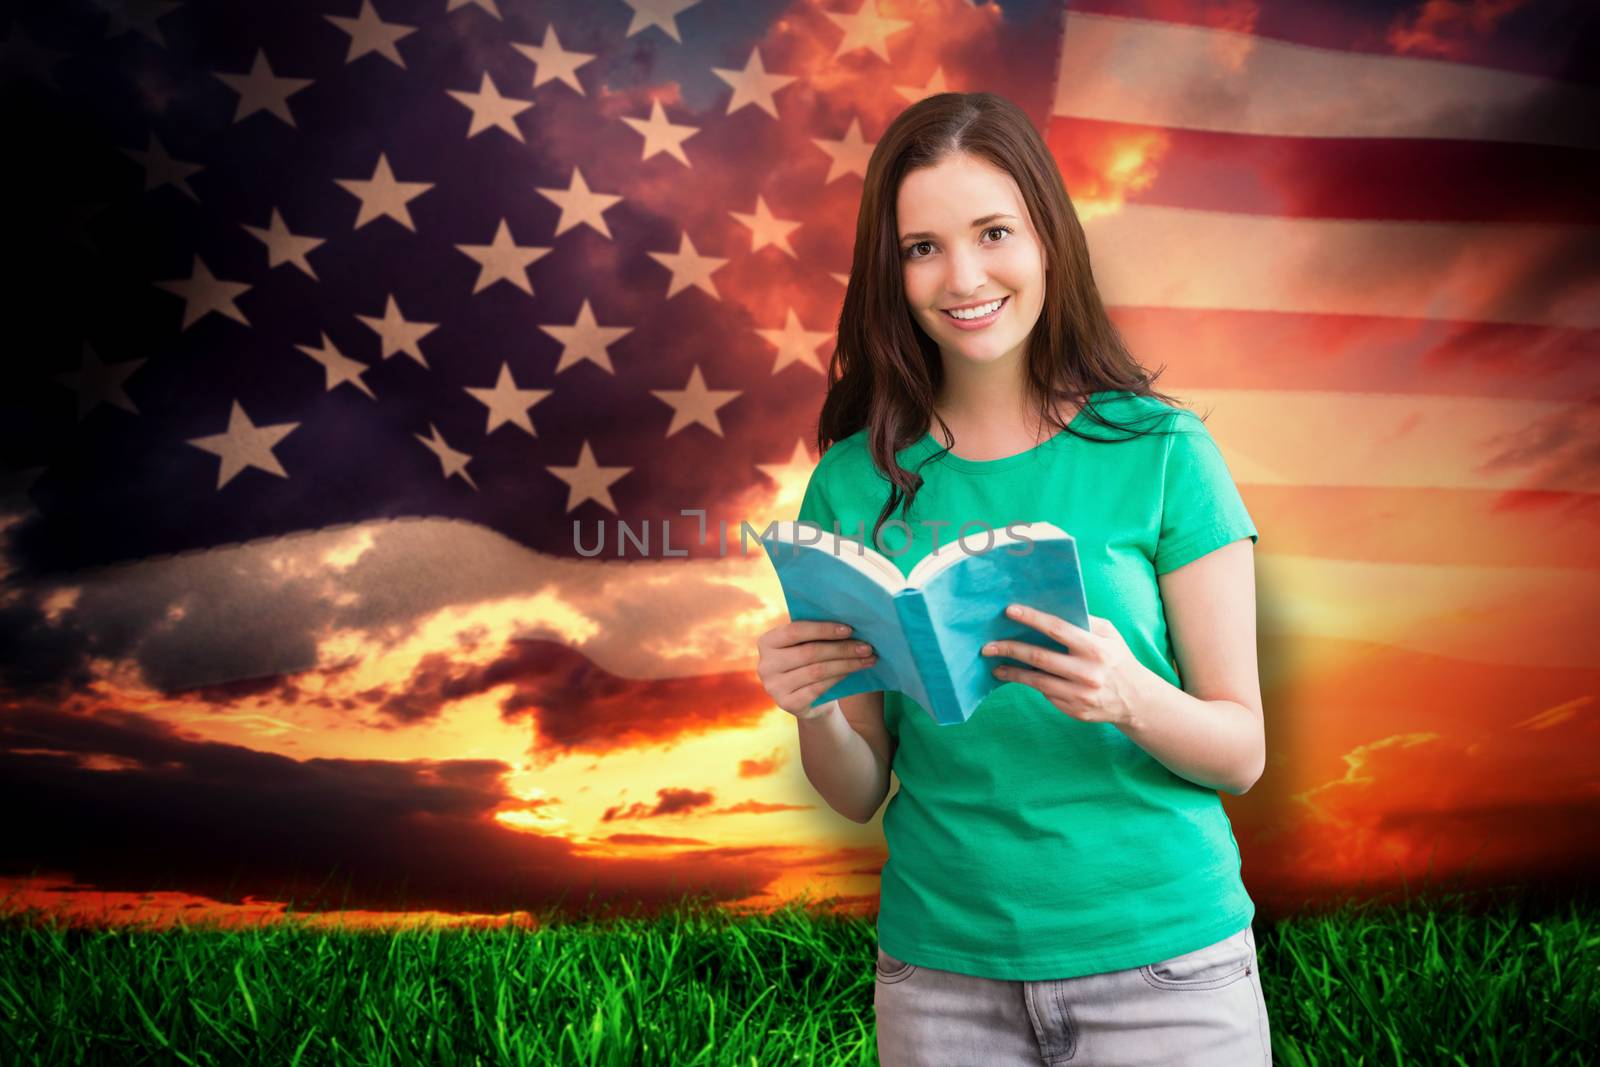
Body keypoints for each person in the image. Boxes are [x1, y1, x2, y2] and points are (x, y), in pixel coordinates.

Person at [754, 92, 1273, 1066]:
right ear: (889, 269)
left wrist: (1129, 695)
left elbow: (1239, 751)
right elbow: (858, 789)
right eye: (921, 247)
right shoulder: (850, 480)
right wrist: (815, 708)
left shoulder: (1163, 450)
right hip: (940, 980)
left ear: (1047, 240)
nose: (963, 277)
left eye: (993, 231)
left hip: (1168, 971)